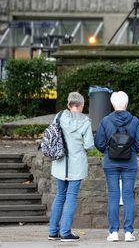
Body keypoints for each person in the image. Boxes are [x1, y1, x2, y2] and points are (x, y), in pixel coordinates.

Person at [94, 91, 139, 242]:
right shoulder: (134, 121)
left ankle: (114, 232)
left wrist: (108, 151)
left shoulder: (105, 121)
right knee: (128, 196)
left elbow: (99, 143)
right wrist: (132, 150)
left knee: (113, 195)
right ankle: (129, 232)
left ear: (112, 104)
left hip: (111, 163)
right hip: (130, 163)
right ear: (127, 104)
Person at [48, 92, 94, 242]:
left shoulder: (59, 116)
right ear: (81, 106)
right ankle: (66, 232)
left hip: (60, 163)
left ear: (69, 105)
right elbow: (89, 145)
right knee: (71, 197)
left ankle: (53, 232)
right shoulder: (85, 121)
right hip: (77, 164)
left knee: (60, 195)